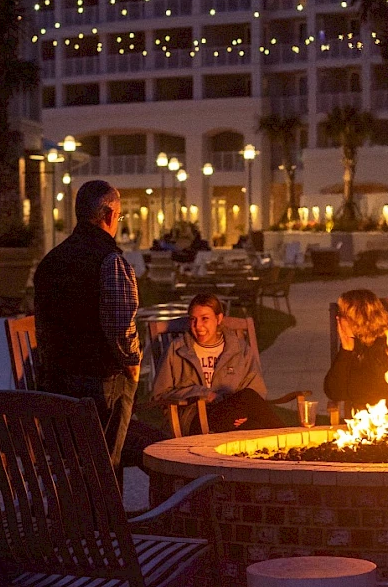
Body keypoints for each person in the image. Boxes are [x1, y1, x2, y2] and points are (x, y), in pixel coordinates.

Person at [34, 180, 142, 467]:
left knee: (72, 462)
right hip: (99, 381)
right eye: (118, 216)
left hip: (56, 380)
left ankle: (77, 510)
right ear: (108, 215)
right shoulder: (109, 261)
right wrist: (133, 362)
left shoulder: (50, 262)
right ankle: (107, 510)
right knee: (104, 462)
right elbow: (120, 325)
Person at [153, 293, 281, 433]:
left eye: (205, 319)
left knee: (253, 422)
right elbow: (160, 394)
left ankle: (293, 444)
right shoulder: (176, 349)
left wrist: (243, 413)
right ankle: (295, 438)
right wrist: (204, 394)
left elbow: (256, 389)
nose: (198, 326)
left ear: (218, 319)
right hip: (194, 418)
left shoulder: (238, 348)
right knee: (253, 415)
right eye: (193, 319)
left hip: (233, 414)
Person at [324, 289, 388, 413]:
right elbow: (334, 393)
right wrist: (346, 351)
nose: (337, 318)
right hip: (365, 421)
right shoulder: (354, 345)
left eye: (341, 313)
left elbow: (368, 394)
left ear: (357, 319)